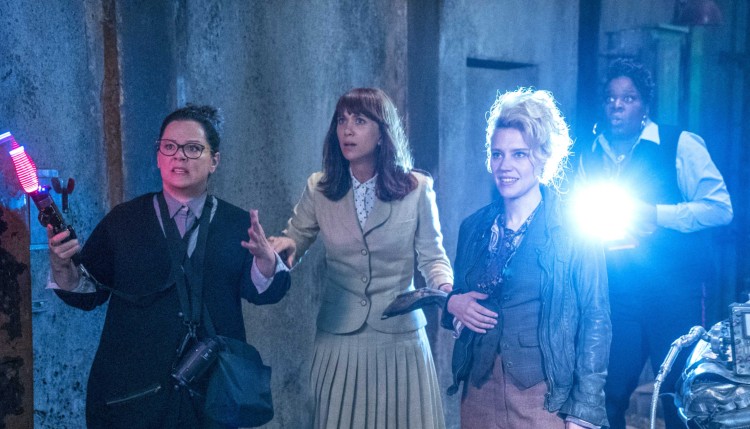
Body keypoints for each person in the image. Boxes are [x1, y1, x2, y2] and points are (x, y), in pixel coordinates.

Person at [47, 104, 291, 429]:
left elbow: (264, 293)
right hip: (133, 391)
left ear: (214, 160)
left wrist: (266, 262)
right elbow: (89, 291)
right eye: (170, 147)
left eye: (193, 148)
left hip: (212, 392)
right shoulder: (124, 221)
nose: (179, 157)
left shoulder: (238, 224)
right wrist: (62, 266)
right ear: (158, 156)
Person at [270, 88, 453, 429]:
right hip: (338, 339)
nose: (348, 130)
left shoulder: (416, 188)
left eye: (359, 120)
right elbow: (295, 240)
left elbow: (433, 257)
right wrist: (279, 250)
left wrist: (444, 290)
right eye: (342, 120)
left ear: (383, 133)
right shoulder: (319, 188)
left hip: (400, 340)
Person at [577, 58, 733, 429]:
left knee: (680, 396)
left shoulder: (679, 144)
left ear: (645, 105)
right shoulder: (590, 153)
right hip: (617, 292)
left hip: (674, 289)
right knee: (608, 393)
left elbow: (720, 208)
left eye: (628, 98)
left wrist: (657, 215)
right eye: (611, 98)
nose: (617, 106)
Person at [442, 88, 611, 429]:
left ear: (544, 157)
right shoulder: (473, 227)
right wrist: (452, 305)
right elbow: (459, 299)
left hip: (543, 399)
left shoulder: (574, 227)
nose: (505, 166)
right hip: (478, 394)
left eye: (519, 154)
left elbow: (596, 319)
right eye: (497, 154)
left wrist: (583, 412)